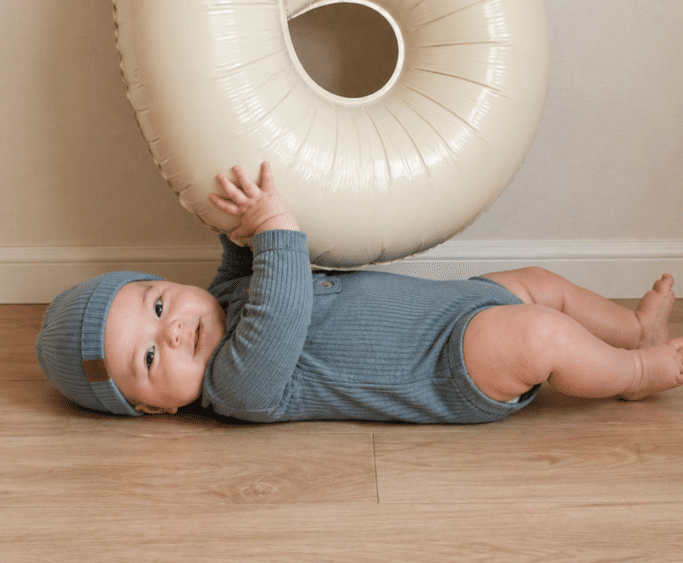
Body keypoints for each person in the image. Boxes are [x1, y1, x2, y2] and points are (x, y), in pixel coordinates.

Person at [36, 162, 683, 421]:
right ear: (155, 410)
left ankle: (630, 330)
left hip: (454, 305)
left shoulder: (224, 305)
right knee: (540, 335)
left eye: (154, 305)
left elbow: (242, 280)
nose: (171, 330)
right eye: (149, 359)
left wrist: (238, 232)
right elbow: (281, 307)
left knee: (539, 287)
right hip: (448, 369)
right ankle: (632, 371)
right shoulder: (236, 388)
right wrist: (276, 230)